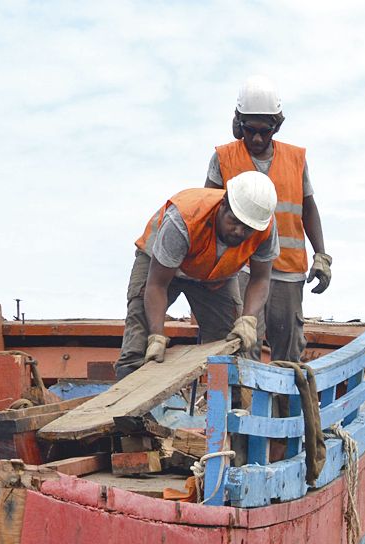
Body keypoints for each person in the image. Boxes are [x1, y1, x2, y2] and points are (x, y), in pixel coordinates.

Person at [206, 75, 331, 364]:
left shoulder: (295, 159)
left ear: (277, 125)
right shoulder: (224, 158)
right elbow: (208, 209)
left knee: (288, 351)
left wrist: (321, 255)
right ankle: (243, 394)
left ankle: (287, 395)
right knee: (243, 343)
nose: (257, 139)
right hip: (240, 265)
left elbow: (308, 208)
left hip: (287, 268)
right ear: (238, 123)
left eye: (265, 131)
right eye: (250, 130)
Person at [113, 172, 279, 378]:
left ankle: (233, 397)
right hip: (160, 267)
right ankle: (130, 384)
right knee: (139, 342)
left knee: (231, 344)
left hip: (215, 276)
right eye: (234, 221)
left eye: (247, 228)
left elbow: (260, 278)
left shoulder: (264, 226)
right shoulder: (184, 220)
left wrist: (249, 319)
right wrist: (156, 335)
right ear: (223, 204)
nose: (238, 231)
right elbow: (156, 285)